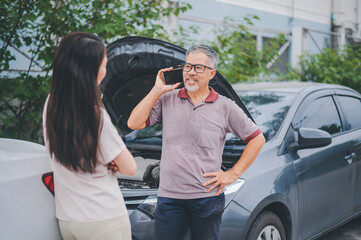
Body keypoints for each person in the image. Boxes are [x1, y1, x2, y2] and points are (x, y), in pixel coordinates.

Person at [127, 45, 265, 240]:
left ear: (212, 73)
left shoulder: (225, 107)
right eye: (187, 66)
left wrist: (233, 174)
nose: (191, 72)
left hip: (207, 199)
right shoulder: (167, 99)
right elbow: (133, 123)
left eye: (198, 68)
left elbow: (257, 138)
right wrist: (156, 90)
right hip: (169, 198)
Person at [42, 32, 137, 240]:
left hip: (68, 219)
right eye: (104, 64)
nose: (106, 69)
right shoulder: (95, 114)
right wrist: (112, 161)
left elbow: (71, 147)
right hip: (103, 218)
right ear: (91, 70)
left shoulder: (52, 103)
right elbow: (130, 167)